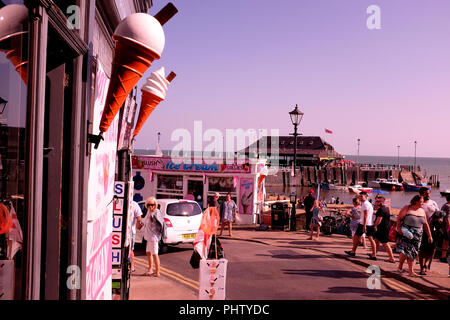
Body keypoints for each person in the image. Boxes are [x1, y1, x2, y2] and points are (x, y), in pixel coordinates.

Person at [396, 195, 433, 277]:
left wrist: (430, 235)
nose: (422, 203)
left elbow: (426, 224)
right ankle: (400, 267)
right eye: (421, 201)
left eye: (423, 201)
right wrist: (399, 229)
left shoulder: (422, 211)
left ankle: (410, 271)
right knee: (405, 252)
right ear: (416, 201)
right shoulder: (407, 208)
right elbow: (399, 219)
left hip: (418, 235)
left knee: (413, 252)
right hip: (406, 232)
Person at [345, 192, 376, 259]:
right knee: (359, 237)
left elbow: (366, 215)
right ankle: (353, 251)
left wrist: (364, 225)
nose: (360, 198)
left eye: (361, 196)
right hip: (368, 223)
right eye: (359, 197)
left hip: (365, 224)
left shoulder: (365, 204)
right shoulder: (367, 204)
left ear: (365, 196)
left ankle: (373, 255)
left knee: (369, 239)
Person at [142, 197, 166, 277]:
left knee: (155, 254)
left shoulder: (156, 212)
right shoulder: (148, 212)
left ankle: (157, 271)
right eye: (148, 205)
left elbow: (160, 225)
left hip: (154, 237)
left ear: (155, 205)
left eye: (152, 205)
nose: (150, 207)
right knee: (148, 253)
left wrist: (153, 220)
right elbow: (144, 221)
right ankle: (150, 269)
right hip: (148, 236)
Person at [418, 210, 446, 274]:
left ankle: (425, 265)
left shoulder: (440, 223)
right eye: (440, 218)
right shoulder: (430, 222)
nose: (441, 219)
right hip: (426, 238)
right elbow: (426, 228)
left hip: (435, 240)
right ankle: (422, 268)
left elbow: (442, 232)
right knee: (423, 253)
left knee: (431, 252)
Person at [372, 197, 395, 263]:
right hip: (385, 227)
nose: (376, 202)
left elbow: (379, 219)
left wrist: (375, 226)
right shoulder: (386, 208)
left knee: (385, 243)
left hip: (382, 228)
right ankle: (374, 254)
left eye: (377, 201)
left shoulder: (381, 210)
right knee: (376, 240)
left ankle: (392, 258)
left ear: (381, 202)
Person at [129, 200, 143, 272]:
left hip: (131, 231)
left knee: (130, 250)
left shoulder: (134, 204)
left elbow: (139, 217)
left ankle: (132, 266)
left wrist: (139, 225)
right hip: (129, 231)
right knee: (129, 249)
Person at [439, 195, 450, 263]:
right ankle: (443, 257)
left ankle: (443, 256)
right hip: (447, 227)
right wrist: (449, 227)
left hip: (444, 226)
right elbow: (447, 218)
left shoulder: (444, 205)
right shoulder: (448, 206)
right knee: (446, 241)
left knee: (445, 241)